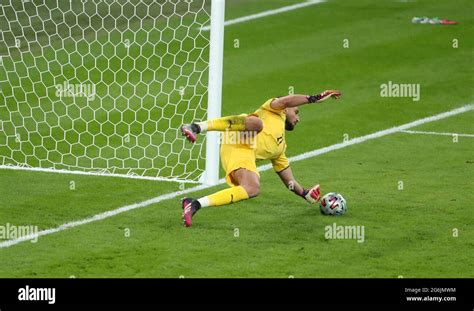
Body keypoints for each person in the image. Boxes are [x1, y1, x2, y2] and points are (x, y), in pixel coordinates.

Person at [180, 90, 342, 227]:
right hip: (239, 132)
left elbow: (289, 181)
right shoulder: (274, 109)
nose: (298, 118)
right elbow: (288, 100)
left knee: (253, 188)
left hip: (240, 153)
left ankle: (194, 203)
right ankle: (196, 127)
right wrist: (314, 98)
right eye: (296, 112)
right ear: (286, 110)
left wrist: (305, 193)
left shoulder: (279, 148)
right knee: (257, 123)